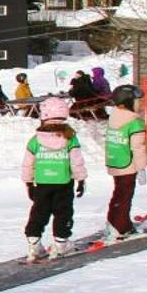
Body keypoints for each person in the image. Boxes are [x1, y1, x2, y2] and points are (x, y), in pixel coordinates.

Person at [22, 96, 87, 259]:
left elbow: (28, 163)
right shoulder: (70, 138)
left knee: (39, 212)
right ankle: (61, 243)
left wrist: (29, 183)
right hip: (64, 183)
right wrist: (81, 179)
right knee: (63, 212)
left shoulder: (35, 140)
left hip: (42, 183)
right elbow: (76, 161)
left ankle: (34, 243)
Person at [101, 84, 147, 243]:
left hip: (115, 161)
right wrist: (141, 167)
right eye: (137, 101)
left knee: (118, 194)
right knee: (124, 196)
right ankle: (119, 227)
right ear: (129, 102)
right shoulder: (134, 122)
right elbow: (138, 147)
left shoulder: (114, 117)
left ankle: (117, 222)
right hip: (128, 165)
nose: (139, 104)